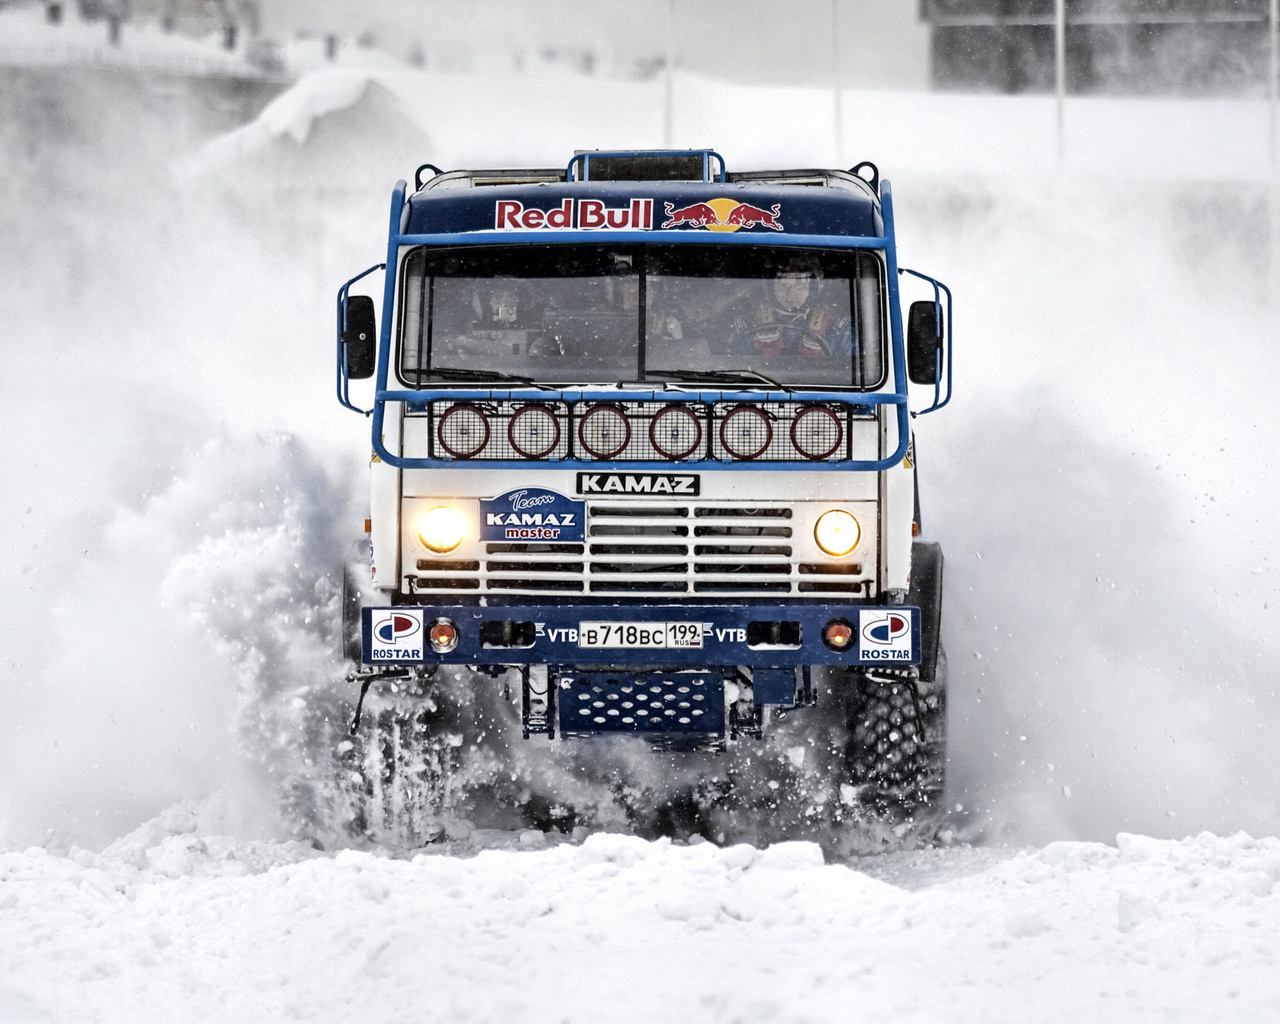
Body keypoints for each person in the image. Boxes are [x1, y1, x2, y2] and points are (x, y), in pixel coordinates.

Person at [730, 266, 853, 367]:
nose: (790, 292)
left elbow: (850, 373)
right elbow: (735, 367)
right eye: (783, 284)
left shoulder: (837, 328)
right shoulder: (749, 321)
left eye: (799, 285)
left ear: (813, 288)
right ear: (771, 287)